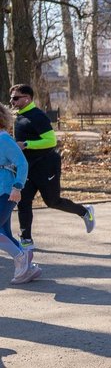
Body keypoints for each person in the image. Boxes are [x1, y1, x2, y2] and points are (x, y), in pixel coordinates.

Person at [10, 84, 95, 252]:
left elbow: (51, 141)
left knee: (52, 201)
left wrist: (26, 144)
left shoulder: (37, 116)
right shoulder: (19, 116)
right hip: (28, 167)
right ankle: (26, 239)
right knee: (24, 201)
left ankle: (84, 211)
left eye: (15, 98)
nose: (11, 101)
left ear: (27, 98)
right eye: (11, 98)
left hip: (46, 165)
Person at [0, 104, 36, 285]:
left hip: (7, 191)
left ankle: (22, 258)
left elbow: (22, 164)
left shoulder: (4, 139)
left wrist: (17, 186)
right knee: (4, 232)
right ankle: (29, 266)